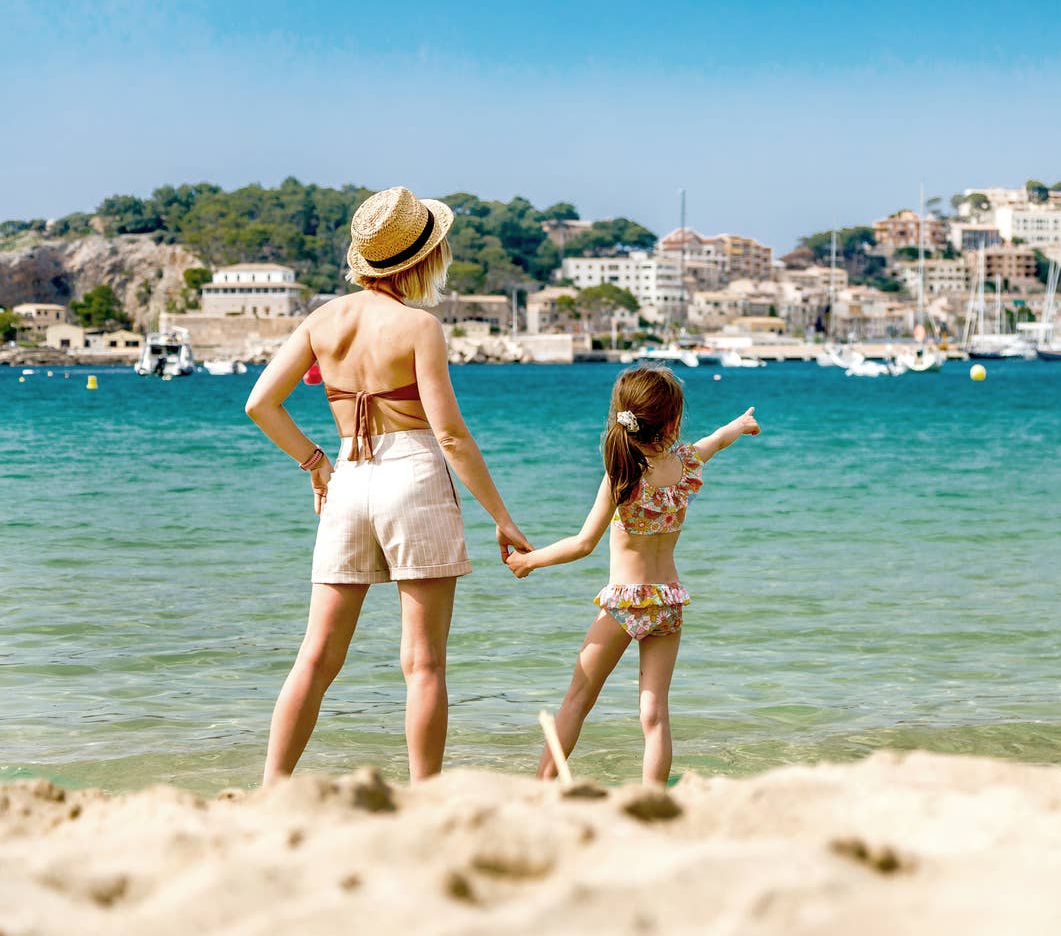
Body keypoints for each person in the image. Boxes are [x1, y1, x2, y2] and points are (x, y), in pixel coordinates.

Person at [245, 186, 531, 784]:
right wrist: (501, 517)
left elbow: (260, 404)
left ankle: (271, 789)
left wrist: (315, 463)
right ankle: (424, 795)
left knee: (317, 656)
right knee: (423, 663)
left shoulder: (322, 320)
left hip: (348, 478)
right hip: (415, 477)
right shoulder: (418, 326)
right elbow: (450, 435)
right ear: (420, 257)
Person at [505, 365, 760, 786]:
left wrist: (529, 561)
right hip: (668, 603)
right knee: (654, 714)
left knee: (577, 700)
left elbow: (583, 543)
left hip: (625, 603)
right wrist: (740, 423)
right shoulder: (686, 465)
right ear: (673, 422)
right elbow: (718, 440)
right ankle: (652, 797)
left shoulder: (622, 477)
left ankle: (540, 788)